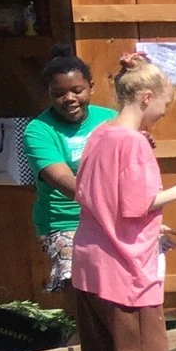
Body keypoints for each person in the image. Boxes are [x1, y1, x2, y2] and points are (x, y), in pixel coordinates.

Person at [71, 53, 176, 351]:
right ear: (146, 97)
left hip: (90, 265)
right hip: (125, 273)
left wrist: (152, 226)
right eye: (164, 105)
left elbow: (96, 196)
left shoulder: (100, 133)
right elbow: (135, 204)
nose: (164, 113)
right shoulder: (133, 143)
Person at [24, 50, 111, 297]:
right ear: (49, 94)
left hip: (110, 217)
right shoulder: (39, 130)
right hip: (66, 221)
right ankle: (82, 320)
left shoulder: (110, 120)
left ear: (91, 86)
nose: (69, 98)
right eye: (59, 93)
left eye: (77, 90)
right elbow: (64, 182)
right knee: (79, 278)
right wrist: (112, 204)